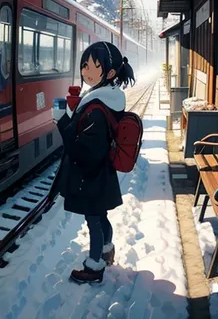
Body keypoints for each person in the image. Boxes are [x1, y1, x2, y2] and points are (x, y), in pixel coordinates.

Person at [55, 41, 135, 284]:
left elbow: (83, 150)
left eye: (92, 66)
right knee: (101, 216)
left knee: (93, 220)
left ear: (109, 73)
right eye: (84, 66)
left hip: (92, 176)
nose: (85, 72)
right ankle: (107, 250)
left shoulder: (98, 109)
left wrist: (61, 122)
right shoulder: (105, 98)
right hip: (103, 174)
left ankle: (94, 266)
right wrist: (72, 114)